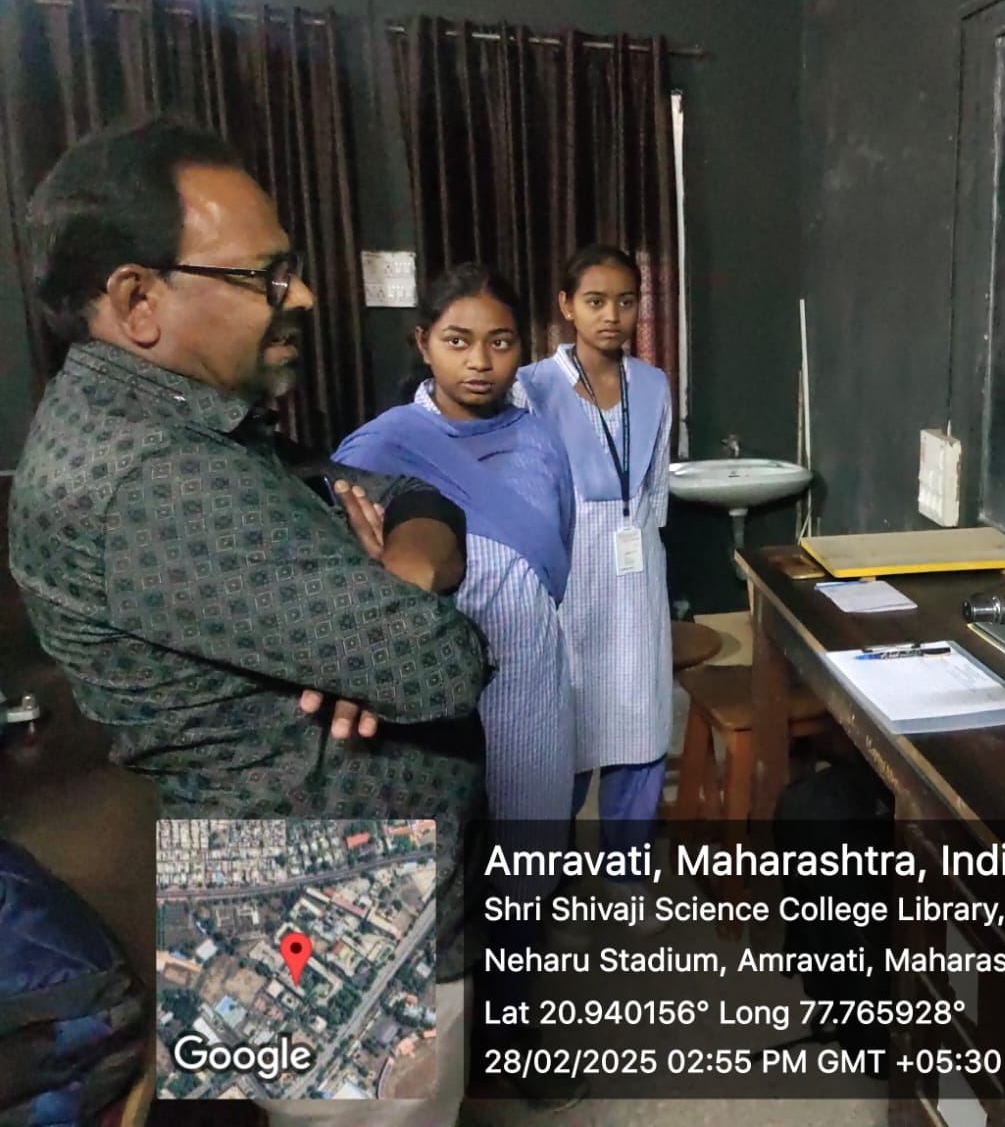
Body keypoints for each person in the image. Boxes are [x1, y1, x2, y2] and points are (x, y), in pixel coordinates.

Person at [8, 116, 490, 1127]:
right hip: (330, 917)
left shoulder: (197, 425)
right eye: (265, 275)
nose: (302, 297)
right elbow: (444, 664)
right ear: (138, 300)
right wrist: (396, 616)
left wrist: (395, 571)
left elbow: (406, 495)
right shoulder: (154, 480)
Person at [335, 263, 576, 827]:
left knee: (529, 848)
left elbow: (555, 550)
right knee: (449, 853)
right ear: (424, 343)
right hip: (428, 686)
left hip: (530, 676)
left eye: (500, 342)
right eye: (457, 341)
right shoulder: (380, 448)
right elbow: (358, 579)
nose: (479, 362)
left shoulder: (539, 440)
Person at [517, 245, 673, 892]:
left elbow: (657, 487)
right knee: (567, 726)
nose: (613, 316)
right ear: (566, 306)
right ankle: (546, 879)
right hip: (567, 571)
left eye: (626, 301)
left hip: (638, 571)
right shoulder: (533, 387)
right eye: (595, 301)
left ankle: (624, 873)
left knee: (641, 721)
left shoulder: (654, 384)